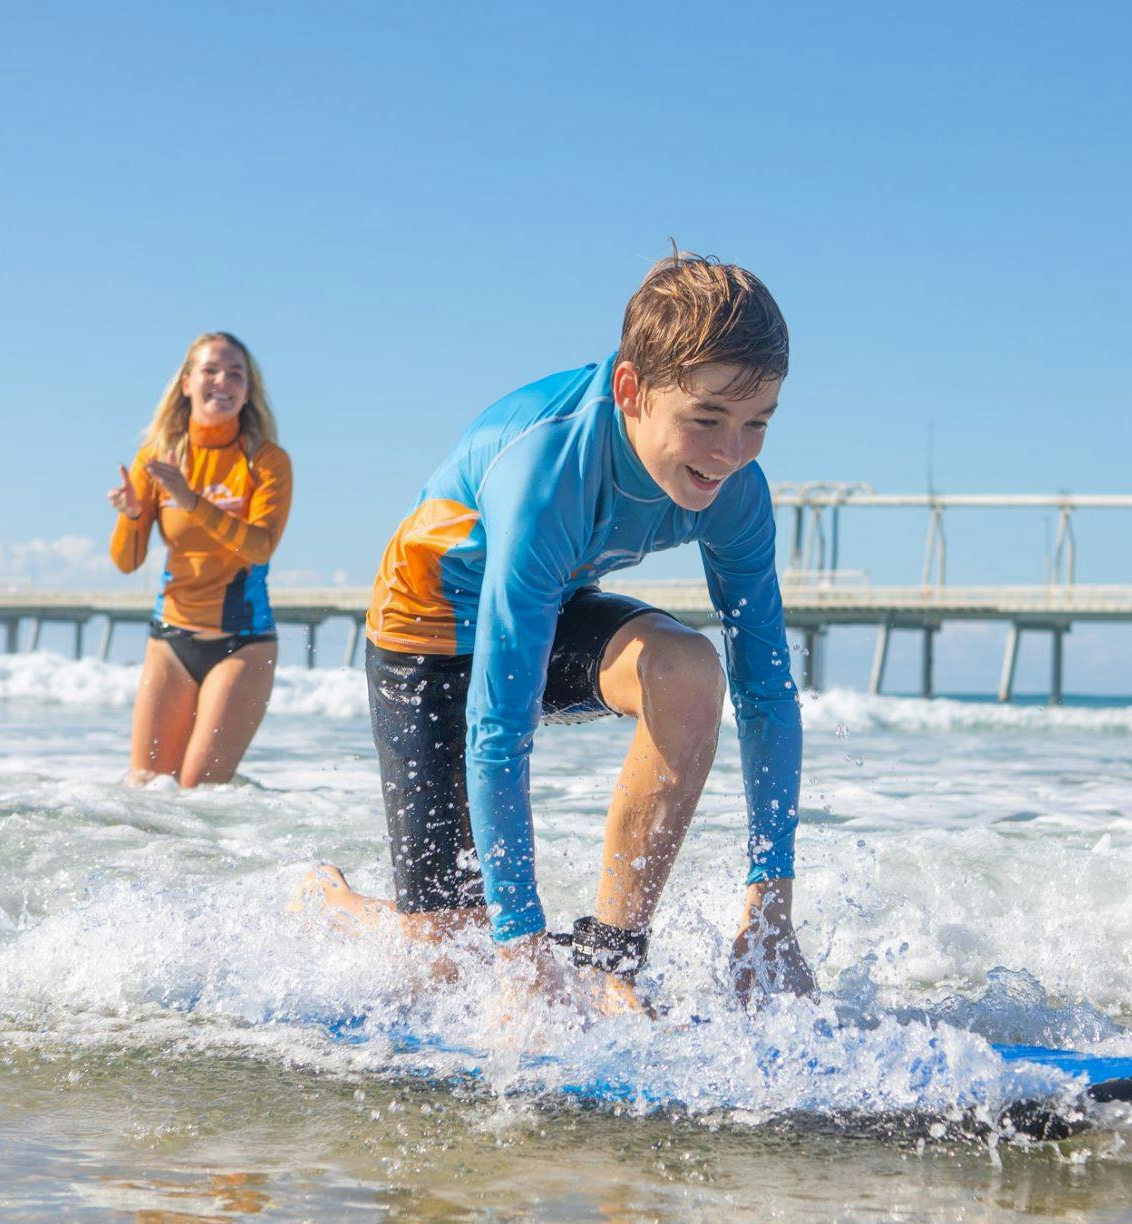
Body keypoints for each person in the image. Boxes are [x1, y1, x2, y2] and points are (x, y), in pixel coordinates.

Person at [298, 252, 812, 1015]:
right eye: (706, 420)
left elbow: (766, 692)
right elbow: (498, 726)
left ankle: (613, 962)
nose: (730, 452)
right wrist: (521, 950)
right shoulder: (546, 472)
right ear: (631, 391)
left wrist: (771, 904)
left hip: (549, 601)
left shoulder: (736, 492)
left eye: (757, 423)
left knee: (687, 671)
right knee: (451, 963)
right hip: (428, 629)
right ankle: (325, 900)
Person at [108, 332, 293, 786]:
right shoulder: (158, 457)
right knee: (146, 788)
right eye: (210, 370)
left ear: (249, 391)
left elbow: (259, 546)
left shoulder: (265, 461)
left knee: (200, 792)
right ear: (187, 382)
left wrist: (191, 500)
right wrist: (133, 516)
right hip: (170, 637)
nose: (222, 381)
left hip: (243, 641)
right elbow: (127, 562)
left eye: (236, 374)